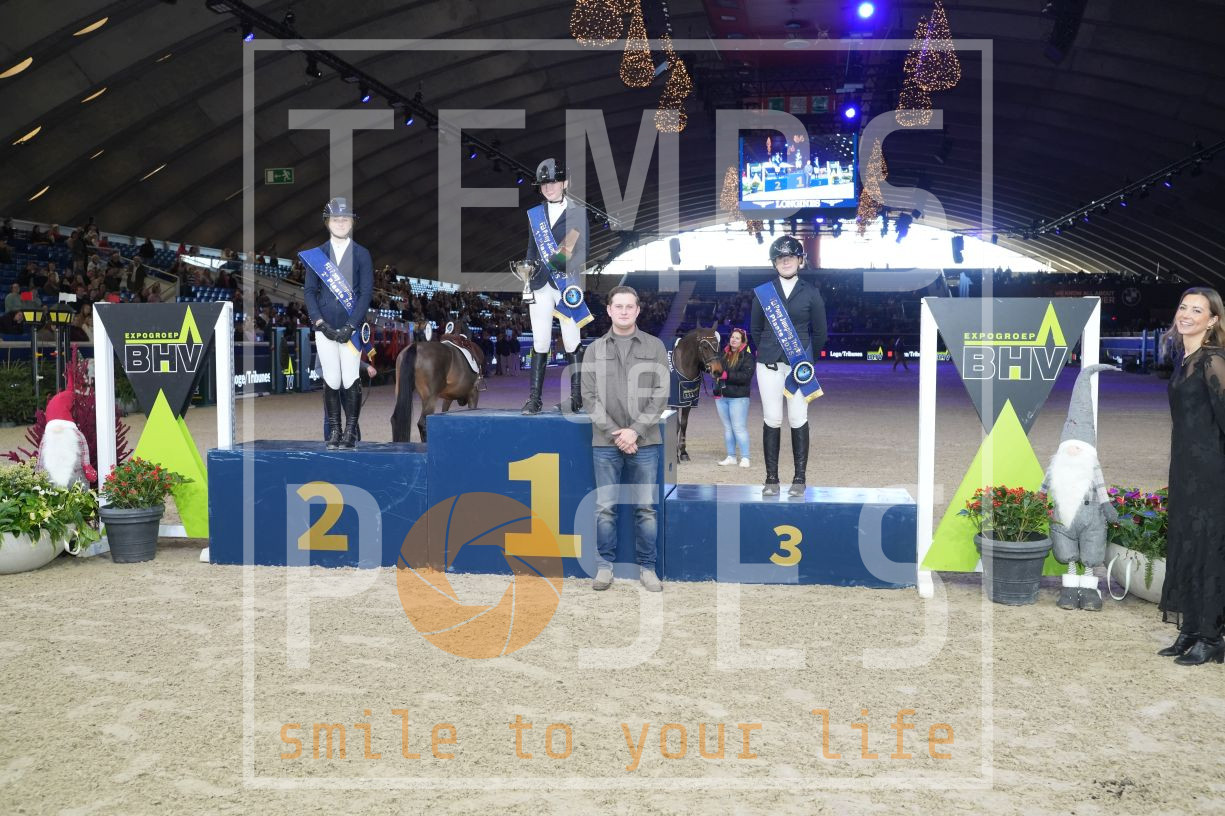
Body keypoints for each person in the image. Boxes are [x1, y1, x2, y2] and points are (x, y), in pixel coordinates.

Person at [580, 285, 669, 592]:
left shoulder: (655, 346)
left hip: (646, 441)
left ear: (638, 310)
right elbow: (589, 397)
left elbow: (661, 393)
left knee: (646, 508)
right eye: (618, 306)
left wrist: (635, 431)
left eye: (629, 306)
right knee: (605, 508)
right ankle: (604, 567)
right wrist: (615, 432)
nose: (624, 311)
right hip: (605, 443)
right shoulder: (594, 350)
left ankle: (648, 568)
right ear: (608, 310)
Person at [1157, 287, 1225, 665]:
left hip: (1212, 471)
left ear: (1212, 320)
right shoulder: (1184, 358)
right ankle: (1192, 628)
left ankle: (1211, 636)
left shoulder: (1213, 360)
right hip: (1185, 468)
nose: (1186, 314)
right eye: (1183, 307)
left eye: (1197, 310)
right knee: (1187, 543)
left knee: (1209, 549)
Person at [749, 235, 828, 497]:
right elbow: (755, 329)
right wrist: (769, 350)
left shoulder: (811, 292)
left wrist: (806, 362)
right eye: (781, 258)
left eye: (791, 257)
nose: (786, 262)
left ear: (799, 260)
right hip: (769, 366)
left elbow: (820, 332)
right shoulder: (763, 293)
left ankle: (799, 478)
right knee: (772, 418)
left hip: (799, 366)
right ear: (774, 262)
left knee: (797, 418)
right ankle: (771, 478)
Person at [301, 197, 374, 450]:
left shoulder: (362, 254)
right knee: (331, 379)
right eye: (336, 219)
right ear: (327, 222)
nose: (341, 223)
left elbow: (366, 293)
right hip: (325, 329)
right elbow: (309, 291)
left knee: (351, 378)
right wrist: (319, 322)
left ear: (352, 222)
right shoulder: (317, 255)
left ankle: (351, 431)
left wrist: (351, 325)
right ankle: (334, 429)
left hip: (350, 329)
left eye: (345, 219)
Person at [520, 157, 591, 415]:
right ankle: (534, 399)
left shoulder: (577, 212)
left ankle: (576, 397)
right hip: (540, 284)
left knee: (571, 338)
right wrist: (527, 272)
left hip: (566, 285)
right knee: (540, 339)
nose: (548, 188)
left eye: (553, 182)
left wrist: (563, 266)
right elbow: (531, 249)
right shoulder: (535, 215)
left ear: (565, 183)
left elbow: (583, 250)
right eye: (544, 184)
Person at [714, 327, 754, 467]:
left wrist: (727, 375)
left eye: (737, 338)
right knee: (728, 428)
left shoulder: (748, 357)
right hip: (722, 397)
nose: (734, 340)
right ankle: (731, 456)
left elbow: (746, 376)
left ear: (743, 341)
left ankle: (745, 457)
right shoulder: (723, 355)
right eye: (732, 337)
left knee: (738, 428)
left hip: (739, 398)